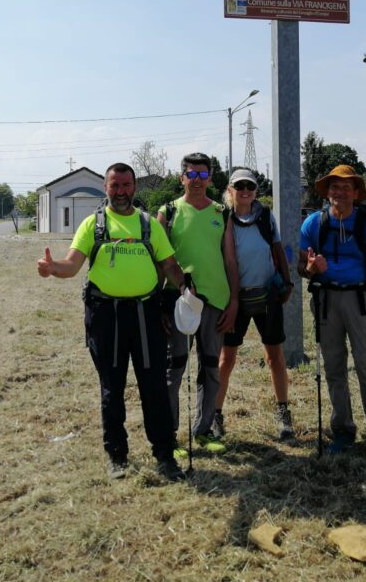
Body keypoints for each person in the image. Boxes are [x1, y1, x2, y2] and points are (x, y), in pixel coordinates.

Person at [37, 163, 187, 482]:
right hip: (106, 317)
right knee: (112, 388)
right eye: (114, 185)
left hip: (146, 316)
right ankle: (116, 456)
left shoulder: (149, 225)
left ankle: (164, 455)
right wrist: (53, 268)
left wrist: (188, 290)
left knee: (155, 388)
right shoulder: (93, 225)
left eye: (126, 185)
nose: (120, 191)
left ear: (135, 187)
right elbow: (72, 265)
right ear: (105, 188)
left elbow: (170, 265)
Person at [298, 164, 366, 461]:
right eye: (334, 187)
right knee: (334, 368)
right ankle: (342, 429)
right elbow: (302, 267)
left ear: (356, 192)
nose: (340, 192)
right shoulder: (314, 223)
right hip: (326, 301)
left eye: (346, 187)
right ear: (327, 192)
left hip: (360, 299)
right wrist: (311, 269)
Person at [159, 153, 240, 456]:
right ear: (182, 178)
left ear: (210, 178)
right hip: (180, 302)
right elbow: (162, 262)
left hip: (216, 302)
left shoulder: (223, 213)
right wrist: (160, 304)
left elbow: (230, 259)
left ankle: (203, 431)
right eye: (191, 175)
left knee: (210, 368)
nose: (197, 181)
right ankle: (169, 436)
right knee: (174, 369)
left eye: (202, 175)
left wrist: (234, 301)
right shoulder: (167, 212)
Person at [213, 168, 295, 441]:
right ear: (230, 191)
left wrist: (288, 281)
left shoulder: (265, 217)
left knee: (275, 357)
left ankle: (283, 413)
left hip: (267, 294)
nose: (245, 190)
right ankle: (215, 415)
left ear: (256, 191)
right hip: (233, 298)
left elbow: (277, 249)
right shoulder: (222, 219)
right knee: (226, 359)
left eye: (250, 186)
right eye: (240, 186)